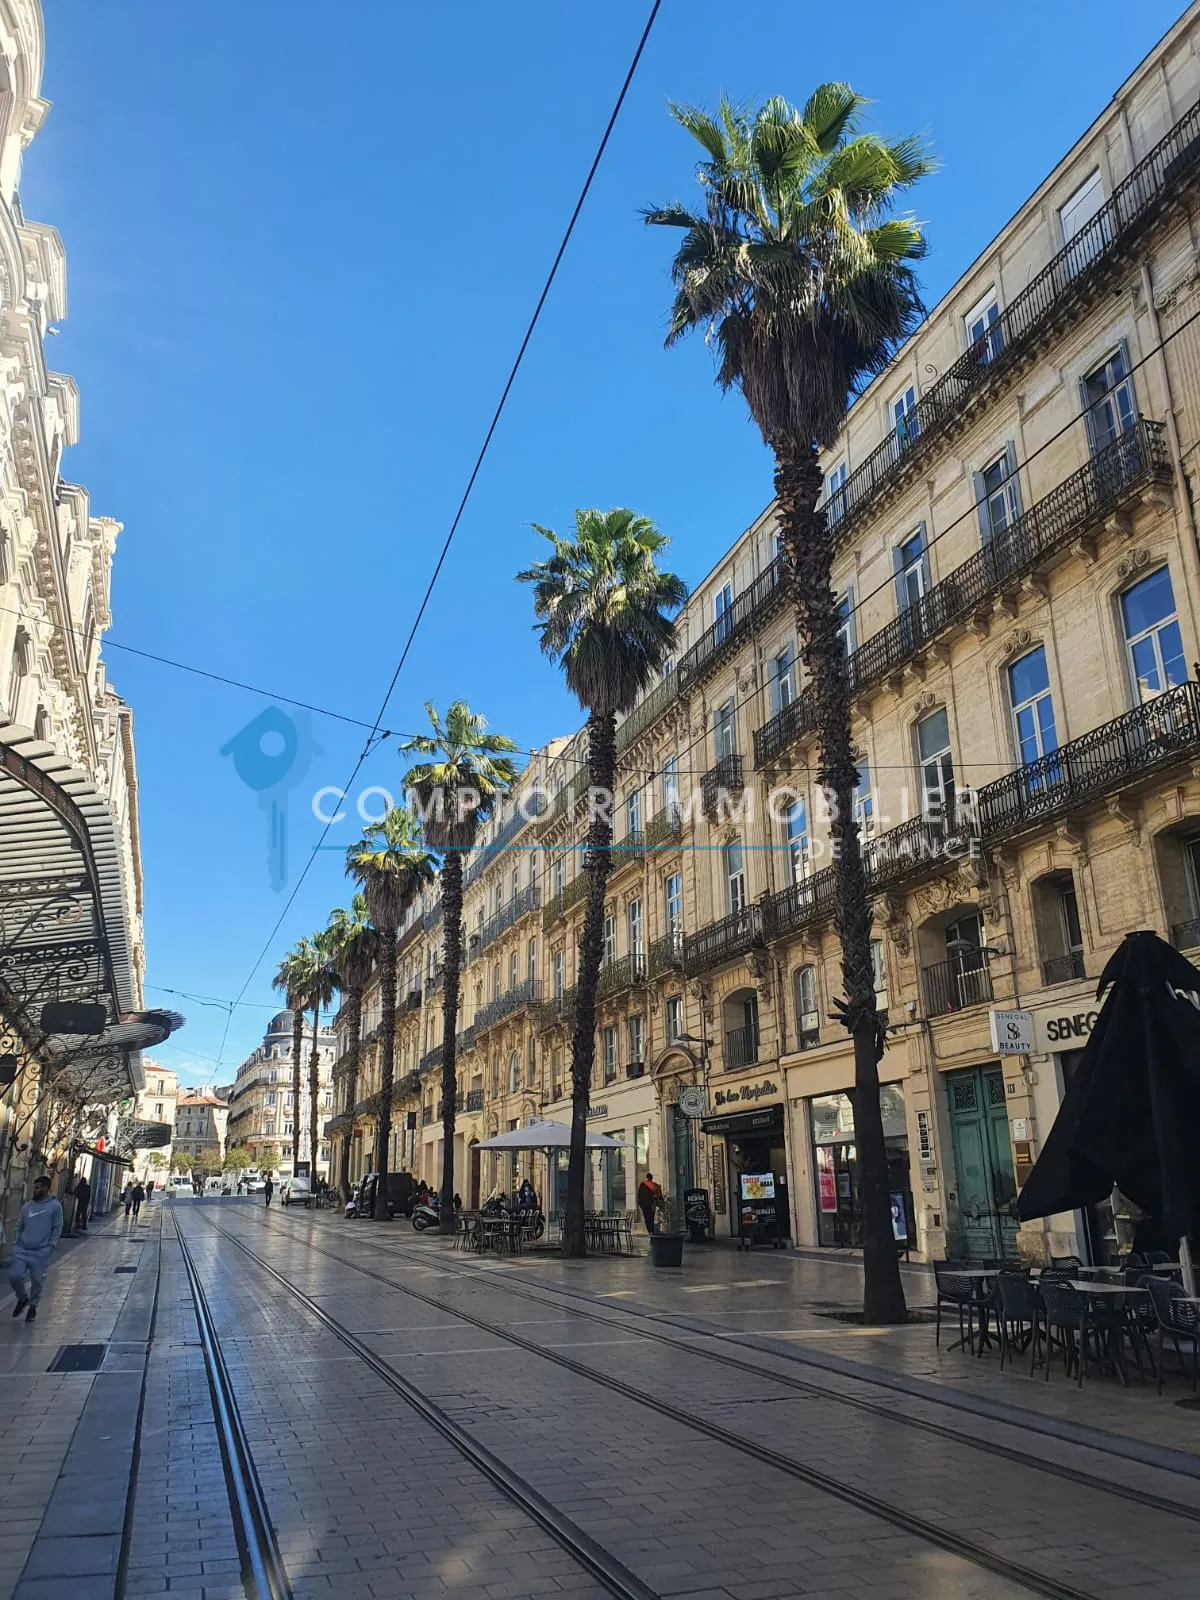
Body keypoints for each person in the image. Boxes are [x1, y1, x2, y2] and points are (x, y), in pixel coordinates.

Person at [9, 1175, 64, 1322]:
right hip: (22, 1249)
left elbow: (57, 1227)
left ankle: (33, 1306)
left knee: (37, 1281)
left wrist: (50, 1246)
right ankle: (22, 1298)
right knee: (14, 1275)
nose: (36, 1190)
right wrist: (16, 1242)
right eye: (35, 1187)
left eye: (38, 1187)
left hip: (41, 1251)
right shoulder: (27, 1206)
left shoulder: (54, 1206)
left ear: (46, 1188)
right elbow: (19, 1226)